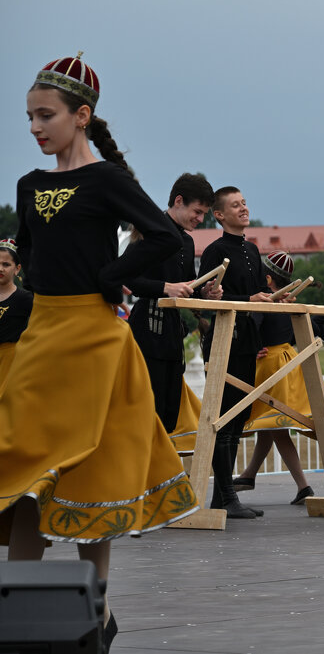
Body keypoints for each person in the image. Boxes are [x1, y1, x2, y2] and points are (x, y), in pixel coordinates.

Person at [1, 54, 198, 647]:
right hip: (43, 337)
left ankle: (96, 616)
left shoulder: (108, 180)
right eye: (29, 117)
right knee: (30, 464)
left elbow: (165, 235)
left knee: (94, 469)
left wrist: (109, 277)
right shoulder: (30, 186)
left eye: (45, 116)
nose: (35, 127)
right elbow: (31, 256)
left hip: (96, 339)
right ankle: (18, 609)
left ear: (80, 116)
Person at [233, 251, 324, 505]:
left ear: (266, 278)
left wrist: (250, 347)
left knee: (276, 425)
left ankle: (303, 486)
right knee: (271, 424)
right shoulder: (288, 300)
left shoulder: (267, 301)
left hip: (270, 364)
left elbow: (252, 323)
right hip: (289, 359)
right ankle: (249, 475)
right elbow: (310, 324)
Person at [198, 186, 287, 519]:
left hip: (247, 338)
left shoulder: (251, 249)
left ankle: (224, 498)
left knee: (237, 419)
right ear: (219, 215)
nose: (243, 208)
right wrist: (248, 300)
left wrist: (275, 297)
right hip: (224, 340)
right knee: (222, 418)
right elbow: (206, 297)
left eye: (245, 203)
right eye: (235, 205)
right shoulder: (213, 250)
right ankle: (225, 496)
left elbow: (257, 293)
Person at [126, 173, 220, 432]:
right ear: (179, 201)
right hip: (145, 331)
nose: (201, 220)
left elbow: (186, 287)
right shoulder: (149, 231)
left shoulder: (187, 242)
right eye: (198, 212)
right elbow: (126, 278)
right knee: (147, 414)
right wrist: (165, 288)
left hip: (171, 336)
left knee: (168, 416)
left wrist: (204, 294)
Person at [0, 239, 33, 386]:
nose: (0, 268)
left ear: (17, 268)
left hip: (10, 362)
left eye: (6, 265)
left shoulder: (24, 298)